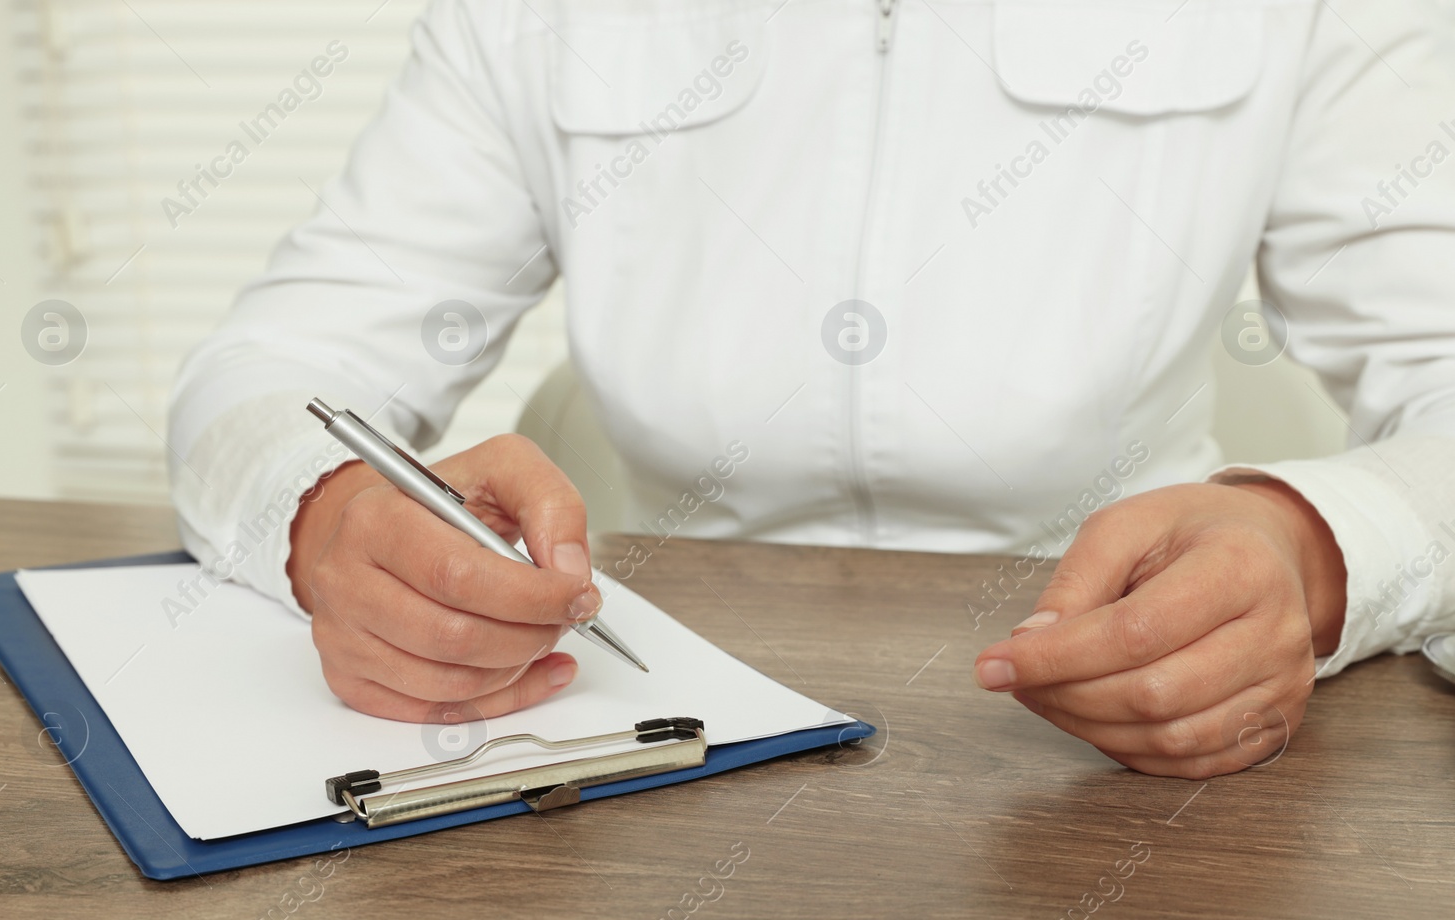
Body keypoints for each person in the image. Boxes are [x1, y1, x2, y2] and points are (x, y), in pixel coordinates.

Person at [168, 0, 1455, 779]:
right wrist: (322, 506)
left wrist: (1317, 547)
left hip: (1131, 765)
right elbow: (280, 364)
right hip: (650, 731)